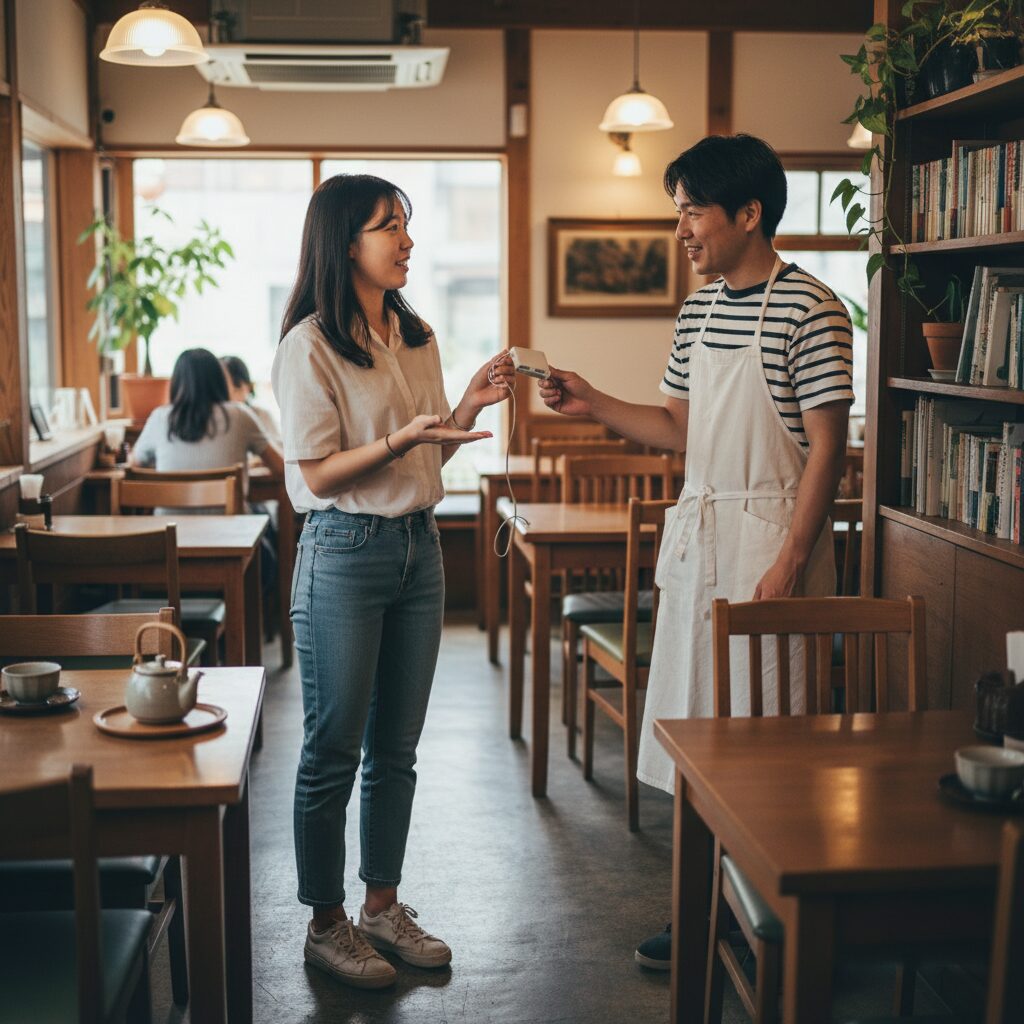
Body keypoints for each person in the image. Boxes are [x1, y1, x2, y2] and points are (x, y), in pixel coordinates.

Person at [538, 134, 853, 969]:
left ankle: (775, 914)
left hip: (769, 543)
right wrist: (593, 400)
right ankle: (702, 907)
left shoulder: (813, 308)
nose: (680, 229)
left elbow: (829, 449)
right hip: (700, 535)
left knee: (768, 741)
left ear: (749, 214)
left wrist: (790, 560)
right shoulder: (698, 310)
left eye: (692, 211)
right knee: (698, 736)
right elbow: (678, 428)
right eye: (677, 210)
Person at [272, 173, 513, 990]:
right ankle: (325, 923)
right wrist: (401, 439)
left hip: (420, 547)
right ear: (347, 244)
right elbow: (319, 476)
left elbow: (427, 450)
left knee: (397, 750)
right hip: (342, 550)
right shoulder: (307, 344)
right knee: (332, 749)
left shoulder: (415, 333)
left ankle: (381, 908)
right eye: (389, 228)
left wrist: (467, 404)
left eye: (407, 225)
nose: (407, 240)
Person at [132, 346, 285, 494]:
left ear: (176, 383)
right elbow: (280, 466)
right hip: (229, 519)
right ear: (219, 379)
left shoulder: (160, 418)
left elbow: (133, 464)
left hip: (170, 520)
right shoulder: (239, 414)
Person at [221, 354, 283, 447]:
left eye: (235, 387)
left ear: (246, 387)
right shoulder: (218, 421)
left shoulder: (261, 415)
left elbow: (279, 451)